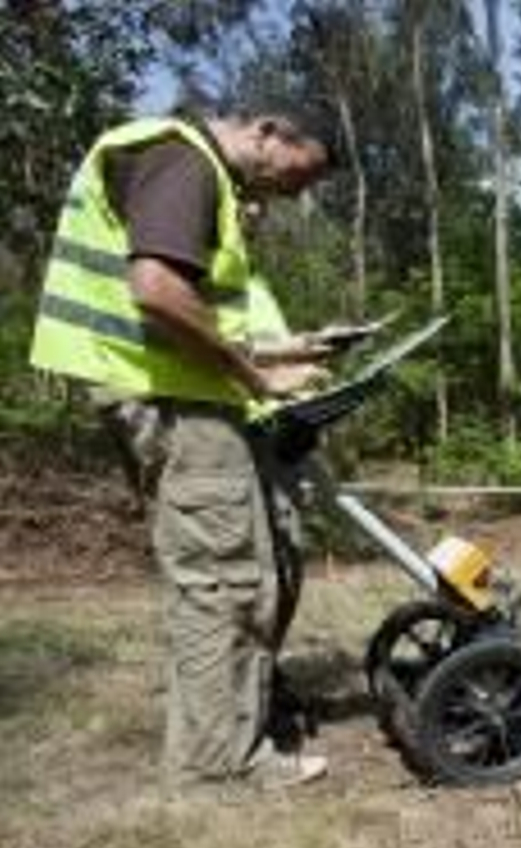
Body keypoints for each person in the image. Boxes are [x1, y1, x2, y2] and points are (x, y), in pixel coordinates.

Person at [29, 106, 340, 791]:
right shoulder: (183, 160)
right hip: (175, 403)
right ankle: (219, 764)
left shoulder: (193, 169)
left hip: (179, 392)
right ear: (267, 131)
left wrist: (280, 349)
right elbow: (159, 292)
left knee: (242, 571)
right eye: (298, 174)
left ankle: (229, 736)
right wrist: (255, 375)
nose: (295, 194)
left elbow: (193, 313)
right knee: (224, 581)